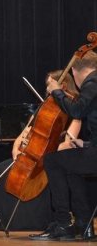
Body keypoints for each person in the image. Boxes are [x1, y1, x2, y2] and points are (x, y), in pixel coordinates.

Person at [0, 70, 81, 231]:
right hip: (32, 155)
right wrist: (17, 150)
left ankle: (34, 222)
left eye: (49, 85)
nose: (46, 90)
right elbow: (23, 133)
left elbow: (67, 144)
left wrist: (40, 152)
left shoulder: (74, 110)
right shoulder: (45, 107)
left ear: (63, 85)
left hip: (53, 157)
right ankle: (5, 222)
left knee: (37, 174)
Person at [29, 51, 97, 241]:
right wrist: (85, 142)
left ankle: (63, 222)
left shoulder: (92, 83)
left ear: (74, 71)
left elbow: (76, 110)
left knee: (51, 160)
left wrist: (57, 91)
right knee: (70, 163)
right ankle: (84, 224)